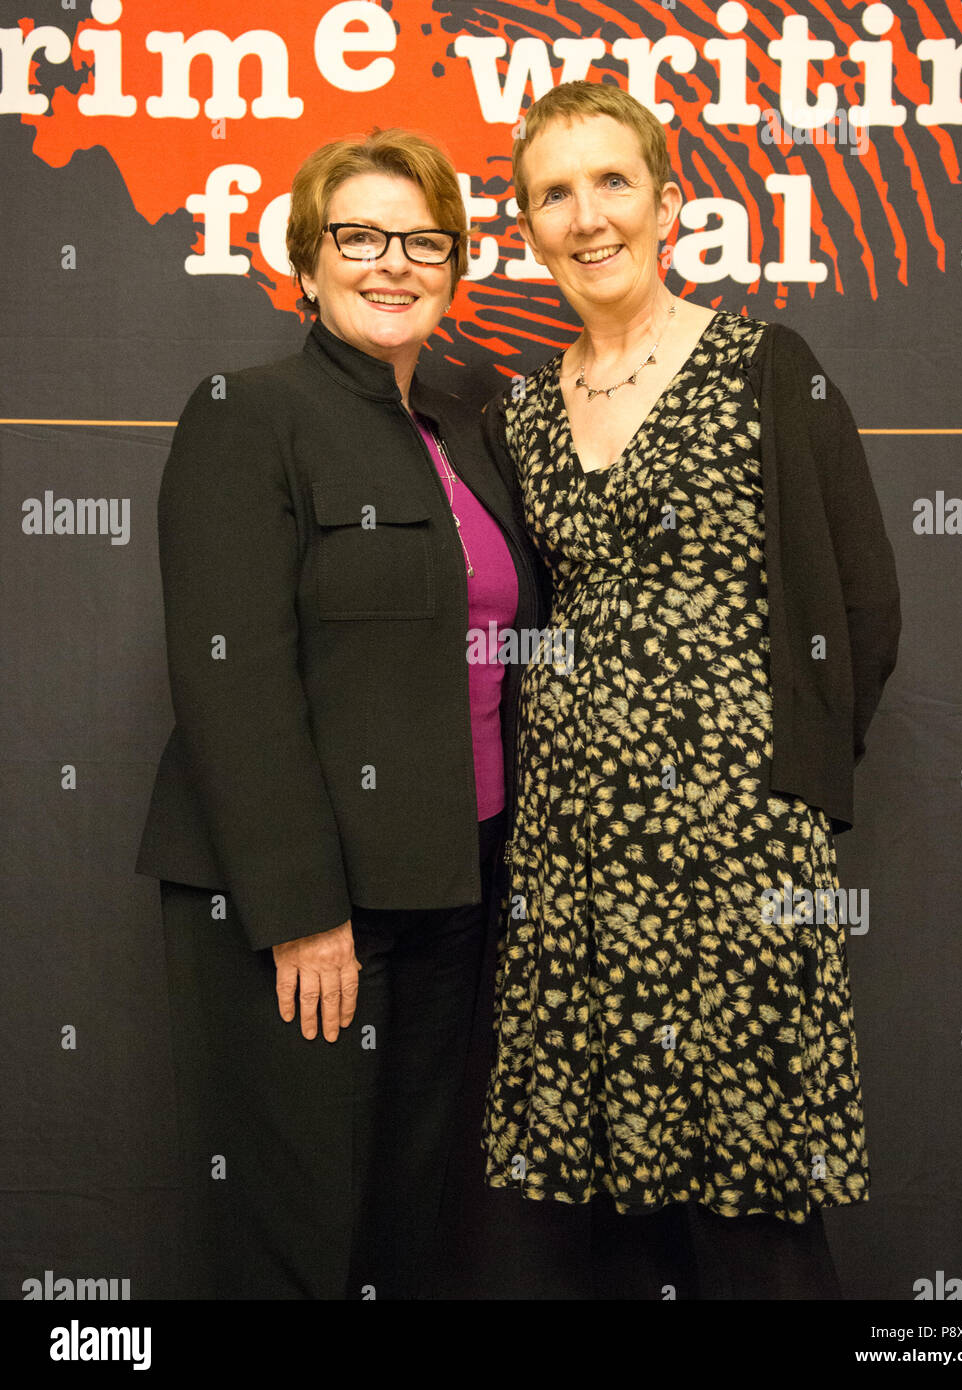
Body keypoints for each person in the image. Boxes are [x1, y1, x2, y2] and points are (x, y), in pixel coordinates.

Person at [480, 81, 902, 1300]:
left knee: (754, 1206)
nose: (586, 215)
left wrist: (780, 796)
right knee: (605, 1206)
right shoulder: (517, 417)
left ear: (668, 204)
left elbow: (863, 606)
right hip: (573, 866)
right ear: (528, 224)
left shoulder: (767, 365)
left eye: (611, 181)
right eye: (554, 192)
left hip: (736, 854)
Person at [134, 129, 552, 1299]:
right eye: (357, 237)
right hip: (307, 903)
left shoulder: (472, 427)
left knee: (406, 1230)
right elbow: (231, 678)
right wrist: (304, 913)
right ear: (304, 266)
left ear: (453, 267)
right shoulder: (248, 413)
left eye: (423, 241)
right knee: (302, 1230)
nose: (392, 264)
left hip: (452, 884)